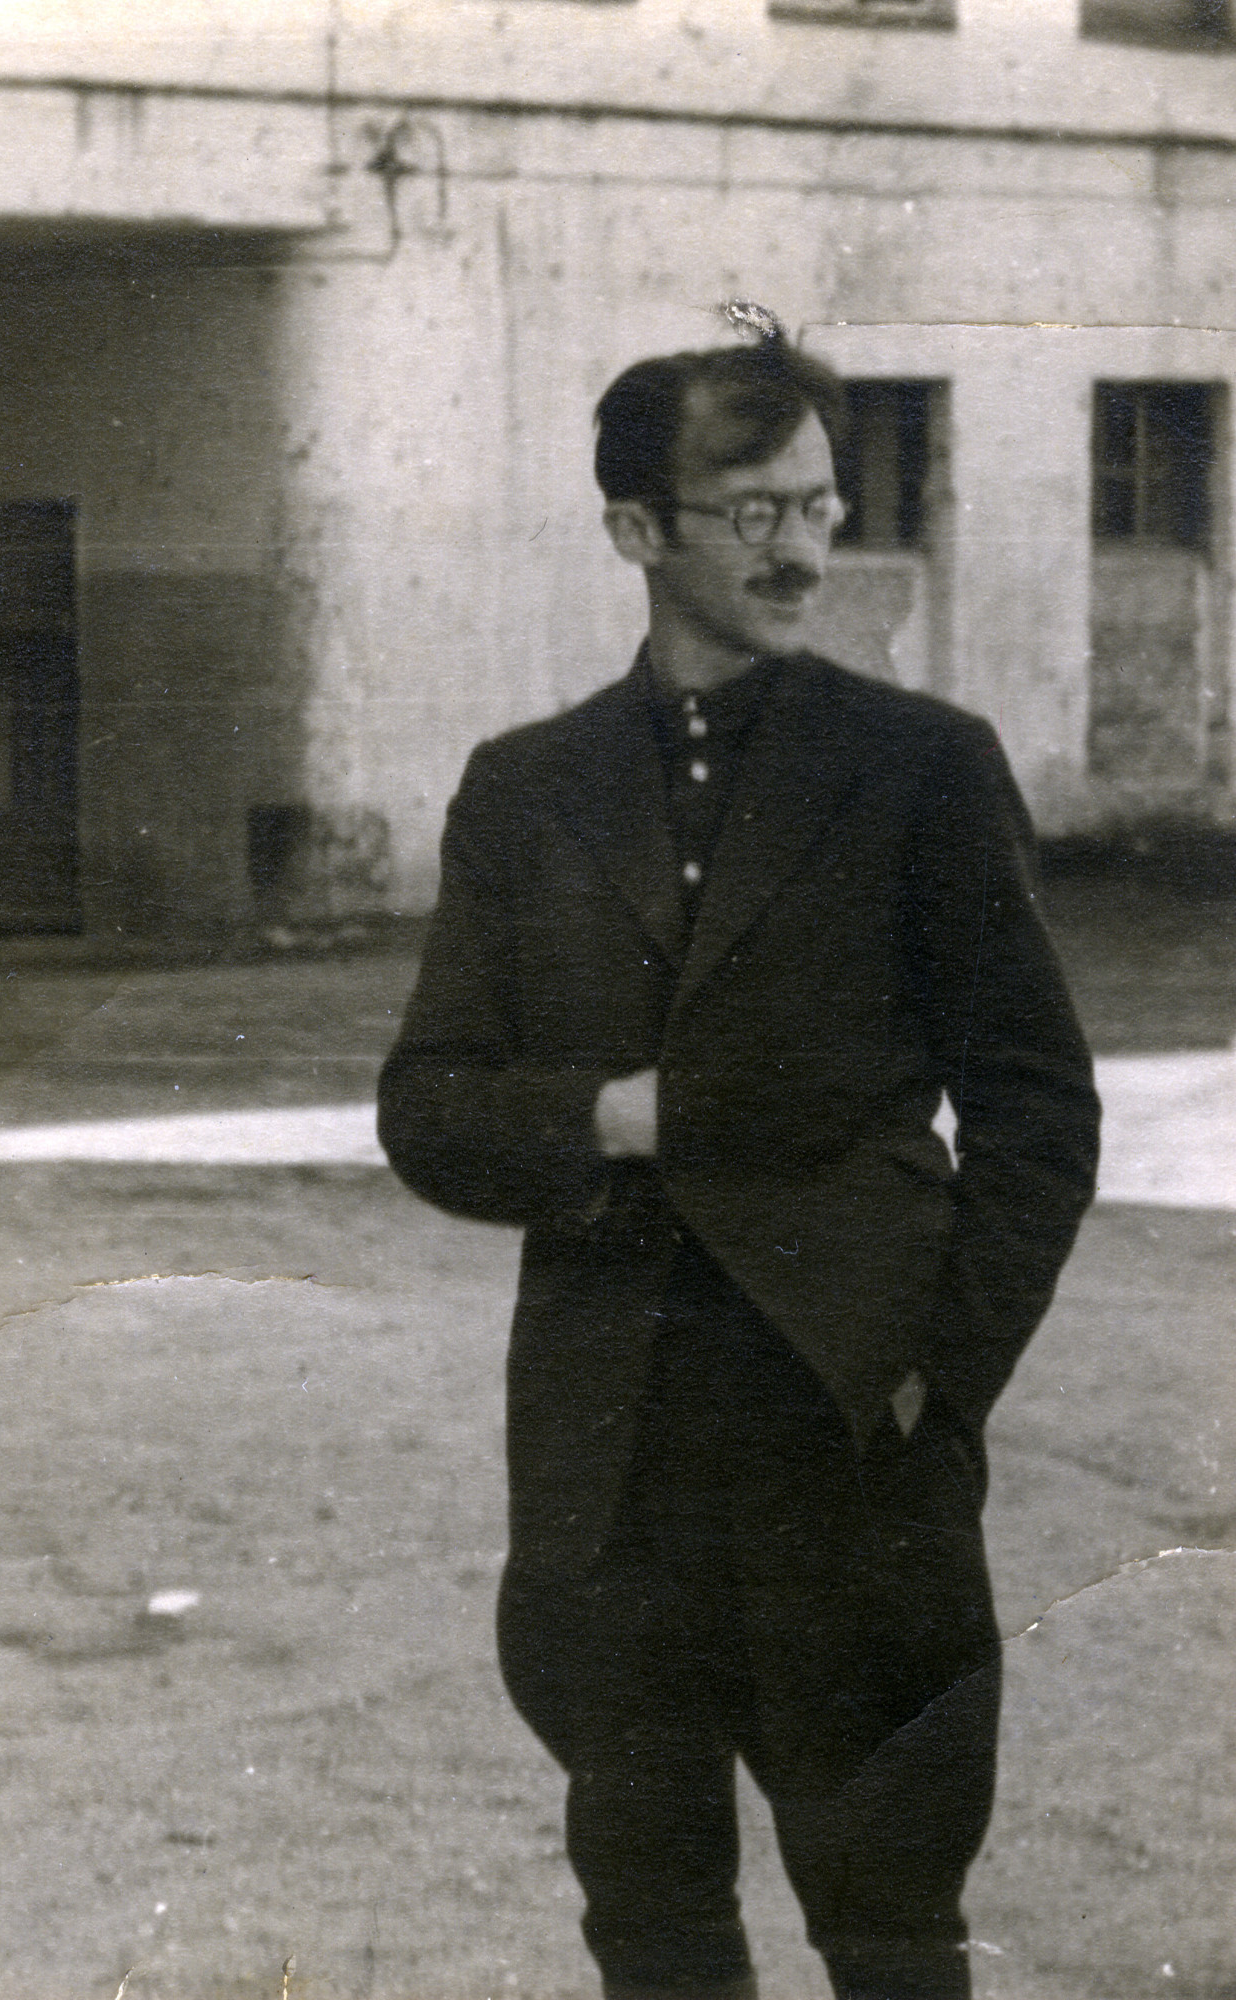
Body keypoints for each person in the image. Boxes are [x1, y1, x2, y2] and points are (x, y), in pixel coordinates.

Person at [377, 322, 1100, 2000]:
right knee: (652, 1920)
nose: (802, 549)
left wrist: (938, 1379)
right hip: (610, 1460)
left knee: (892, 1923)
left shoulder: (920, 771)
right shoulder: (528, 791)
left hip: (852, 1441)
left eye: (823, 507)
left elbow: (1036, 1109)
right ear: (640, 530)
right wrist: (625, 1117)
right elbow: (427, 1105)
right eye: (753, 509)